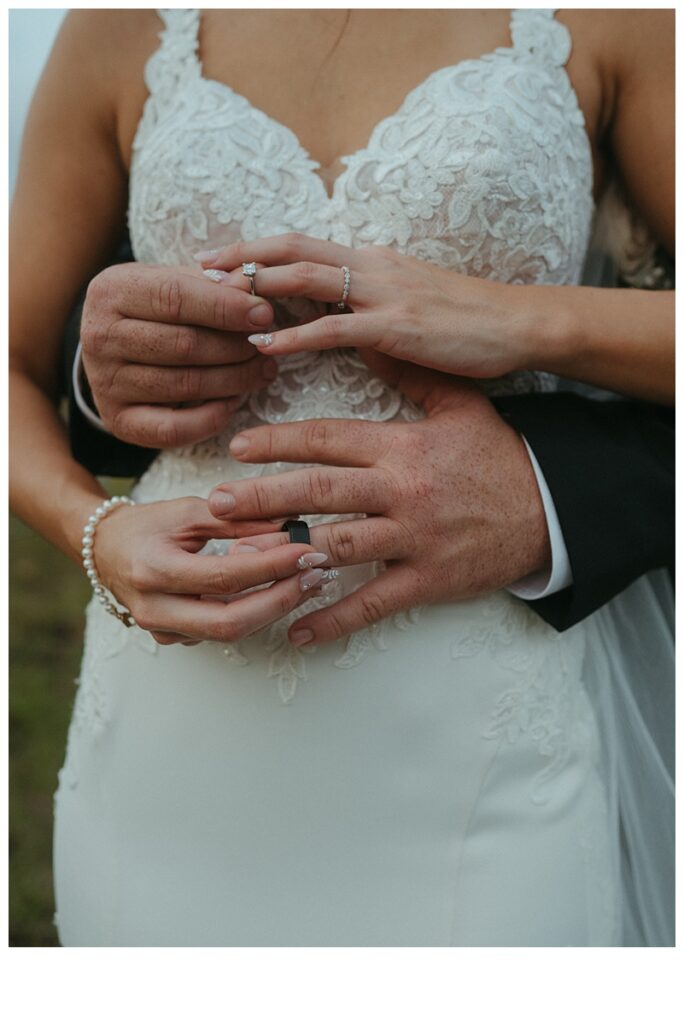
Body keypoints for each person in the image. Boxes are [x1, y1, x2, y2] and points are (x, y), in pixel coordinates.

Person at [9, 9, 674, 945]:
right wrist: (96, 530)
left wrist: (520, 320)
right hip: (173, 735)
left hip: (477, 736)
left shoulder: (615, 18)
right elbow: (16, 364)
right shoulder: (118, 25)